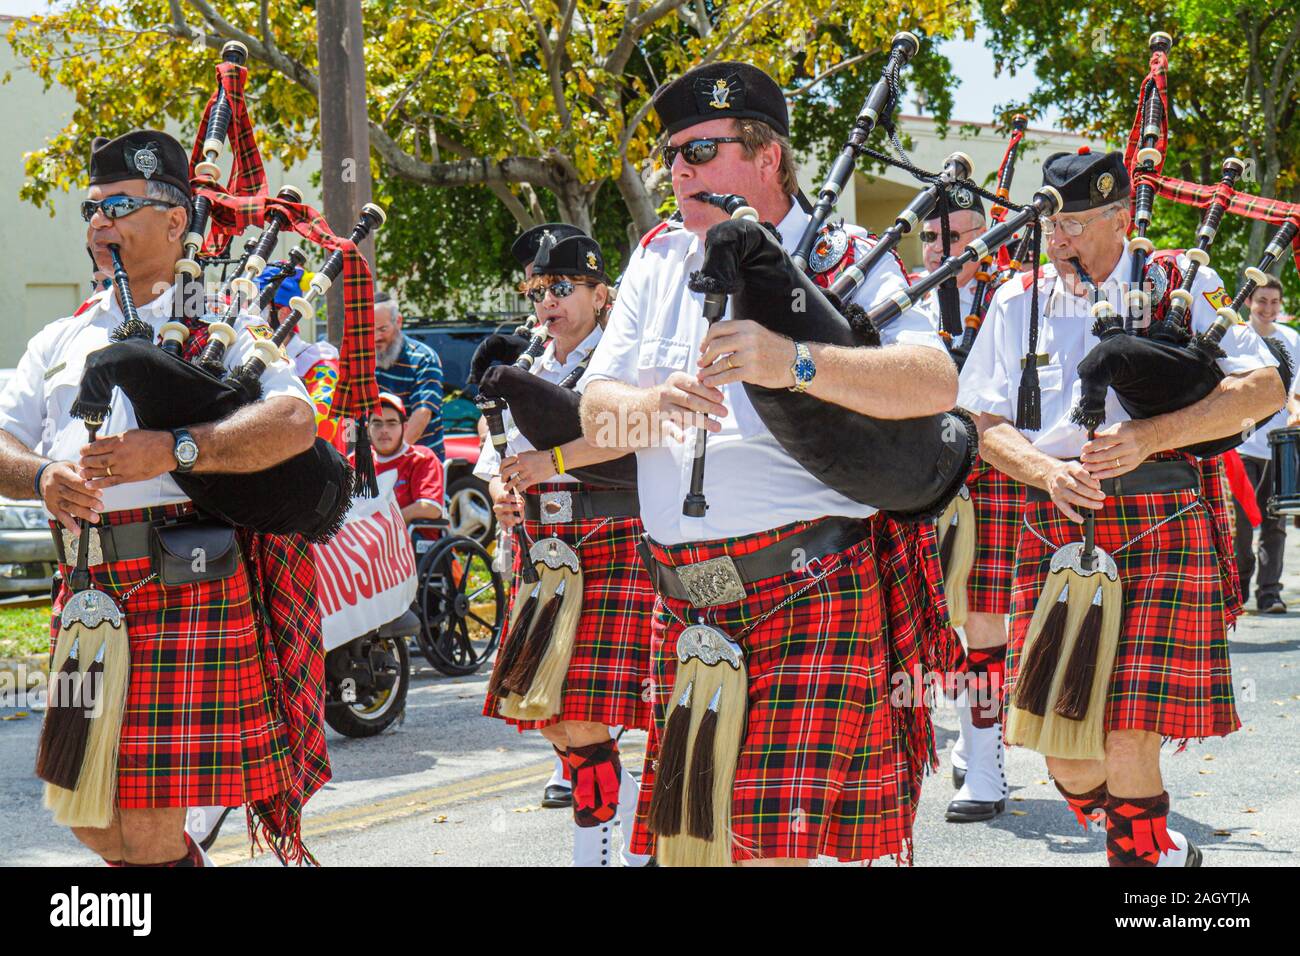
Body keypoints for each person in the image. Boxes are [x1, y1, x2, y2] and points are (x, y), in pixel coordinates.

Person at [579, 62, 958, 865]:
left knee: (750, 848)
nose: (679, 168)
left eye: (703, 148)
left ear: (768, 159)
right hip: (683, 603)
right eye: (673, 153)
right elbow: (594, 410)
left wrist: (796, 364)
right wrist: (654, 407)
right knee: (697, 845)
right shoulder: (654, 259)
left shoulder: (842, 252)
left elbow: (935, 381)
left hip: (807, 585)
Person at [0, 130, 327, 866]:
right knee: (86, 813)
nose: (99, 224)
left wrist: (180, 448)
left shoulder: (222, 324)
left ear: (176, 222)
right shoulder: (63, 335)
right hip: (85, 590)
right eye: (91, 208)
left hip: (183, 584)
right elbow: (3, 440)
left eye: (118, 205)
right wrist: (43, 480)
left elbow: (294, 422)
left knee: (146, 830)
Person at [959, 147, 1285, 866]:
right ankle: (1160, 854)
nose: (1058, 240)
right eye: (1050, 226)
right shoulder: (1019, 299)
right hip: (1058, 525)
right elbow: (980, 421)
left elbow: (1265, 388)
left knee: (1128, 731)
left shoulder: (1177, 284)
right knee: (1069, 755)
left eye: (1072, 224)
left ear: (1118, 218)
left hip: (1164, 517)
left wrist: (1151, 434)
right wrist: (1045, 470)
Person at [476, 230, 654, 867]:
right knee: (548, 710)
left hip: (613, 537)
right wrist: (504, 485)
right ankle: (635, 824)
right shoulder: (530, 364)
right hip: (545, 548)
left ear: (601, 294)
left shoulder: (622, 359)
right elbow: (497, 449)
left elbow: (636, 430)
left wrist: (549, 460)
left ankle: (598, 854)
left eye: (562, 287)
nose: (546, 300)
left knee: (578, 712)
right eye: (537, 289)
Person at [919, 187, 1023, 823]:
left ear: (985, 236)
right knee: (936, 619)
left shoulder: (1015, 296)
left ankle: (985, 763)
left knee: (983, 618)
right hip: (917, 476)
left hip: (989, 471)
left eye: (958, 236)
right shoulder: (904, 296)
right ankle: (969, 727)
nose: (945, 249)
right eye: (934, 238)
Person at [1232, 275, 1300, 613]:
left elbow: (1294, 392)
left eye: (1274, 302)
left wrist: (1295, 411)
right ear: (1249, 302)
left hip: (1278, 446)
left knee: (1275, 523)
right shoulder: (1236, 337)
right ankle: (1239, 587)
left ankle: (1269, 592)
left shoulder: (1292, 339)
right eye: (1262, 301)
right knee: (1240, 526)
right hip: (1240, 445)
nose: (1268, 309)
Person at [254, 264, 346, 449]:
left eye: (259, 308)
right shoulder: (248, 359)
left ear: (284, 314)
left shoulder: (320, 364)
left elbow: (321, 427)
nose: (249, 318)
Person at [374, 290, 445, 460]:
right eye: (369, 330)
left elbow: (422, 413)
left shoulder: (424, 359)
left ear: (398, 321)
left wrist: (390, 459)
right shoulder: (362, 360)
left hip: (419, 464)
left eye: (382, 329)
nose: (376, 337)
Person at [359, 392, 445, 526]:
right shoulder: (355, 461)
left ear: (404, 427)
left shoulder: (421, 458)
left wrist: (383, 524)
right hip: (364, 540)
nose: (384, 430)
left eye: (391, 423)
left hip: (413, 539)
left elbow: (430, 508)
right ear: (367, 428)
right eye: (377, 423)